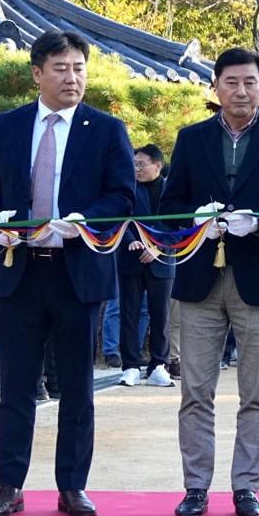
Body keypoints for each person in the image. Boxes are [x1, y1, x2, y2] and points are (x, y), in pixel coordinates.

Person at [0, 30, 136, 516]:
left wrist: (86, 219)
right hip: (19, 270)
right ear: (37, 73)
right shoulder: (8, 126)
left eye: (79, 68)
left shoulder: (106, 129)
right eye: (61, 68)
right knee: (16, 386)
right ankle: (9, 485)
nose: (72, 78)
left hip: (77, 272)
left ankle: (72, 486)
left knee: (77, 387)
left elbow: (122, 196)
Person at [160, 48, 259, 516]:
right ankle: (196, 487)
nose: (241, 91)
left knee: (256, 391)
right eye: (231, 82)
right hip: (200, 275)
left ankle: (246, 486)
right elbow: (169, 207)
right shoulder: (192, 138)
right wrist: (195, 217)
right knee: (195, 390)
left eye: (250, 82)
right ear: (216, 86)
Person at [115, 144, 174, 387]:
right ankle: (130, 366)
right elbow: (120, 219)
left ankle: (158, 364)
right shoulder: (127, 189)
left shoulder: (171, 191)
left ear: (158, 166)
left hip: (162, 259)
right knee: (128, 313)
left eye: (142, 164)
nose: (137, 169)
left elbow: (178, 225)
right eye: (134, 164)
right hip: (132, 258)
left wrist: (159, 248)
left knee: (161, 314)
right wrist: (132, 242)